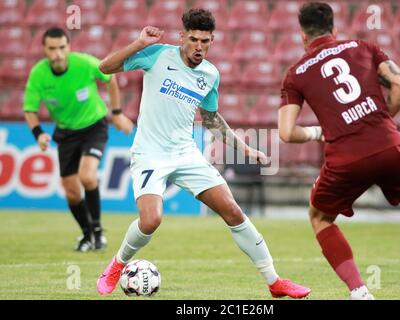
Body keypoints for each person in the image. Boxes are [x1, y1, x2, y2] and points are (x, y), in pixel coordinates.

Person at [96, 8, 311, 299]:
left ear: (212, 40)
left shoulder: (210, 74)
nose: (199, 47)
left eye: (205, 41)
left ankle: (275, 282)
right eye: (194, 39)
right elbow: (104, 68)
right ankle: (117, 265)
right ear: (182, 36)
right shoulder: (158, 54)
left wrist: (246, 148)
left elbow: (211, 119)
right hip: (150, 153)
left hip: (186, 153)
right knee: (150, 221)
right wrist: (138, 44)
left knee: (233, 211)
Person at [278, 2, 400, 300]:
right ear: (334, 29)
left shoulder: (295, 73)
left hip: (346, 157)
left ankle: (360, 292)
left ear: (303, 37)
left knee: (320, 217)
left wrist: (318, 132)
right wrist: (380, 122)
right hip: (388, 144)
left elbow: (286, 132)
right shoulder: (364, 46)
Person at [23, 27, 134, 252]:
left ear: (69, 47)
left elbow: (110, 78)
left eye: (62, 47)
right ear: (44, 49)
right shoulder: (38, 74)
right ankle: (87, 235)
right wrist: (39, 134)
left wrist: (117, 112)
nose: (58, 53)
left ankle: (99, 233)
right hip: (65, 133)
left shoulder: (85, 63)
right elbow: (30, 109)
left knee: (87, 175)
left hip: (94, 126)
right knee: (71, 191)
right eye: (52, 49)